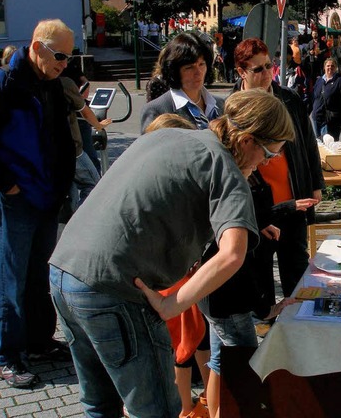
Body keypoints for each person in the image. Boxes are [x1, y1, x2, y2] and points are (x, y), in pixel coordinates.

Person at [49, 89, 295, 417]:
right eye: (268, 154)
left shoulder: (169, 135)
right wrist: (171, 304)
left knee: (100, 404)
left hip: (63, 273)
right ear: (247, 140)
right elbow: (232, 255)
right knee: (156, 410)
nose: (267, 163)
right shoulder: (227, 169)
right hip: (113, 290)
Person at [0, 19, 76, 388]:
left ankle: (39, 342)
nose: (65, 63)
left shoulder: (54, 85)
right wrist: (7, 185)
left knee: (39, 275)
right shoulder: (6, 83)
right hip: (17, 199)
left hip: (46, 197)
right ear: (37, 46)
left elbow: (61, 139)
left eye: (69, 57)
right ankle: (7, 356)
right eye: (60, 55)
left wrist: (62, 185)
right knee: (9, 280)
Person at [230, 38, 324, 304]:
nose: (266, 74)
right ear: (241, 72)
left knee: (296, 268)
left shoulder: (289, 99)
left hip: (295, 200)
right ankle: (269, 324)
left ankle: (300, 323)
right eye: (257, 69)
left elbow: (308, 144)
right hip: (260, 208)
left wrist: (315, 183)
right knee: (260, 275)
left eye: (269, 66)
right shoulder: (234, 106)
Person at [144, 113, 211, 418]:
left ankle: (206, 398)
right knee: (183, 348)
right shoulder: (165, 185)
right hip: (175, 279)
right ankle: (187, 406)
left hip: (183, 274)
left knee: (197, 340)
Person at [140, 32, 224, 133]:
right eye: (189, 67)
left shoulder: (220, 105)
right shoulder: (156, 110)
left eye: (201, 64)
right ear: (174, 71)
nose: (198, 72)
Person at [60, 71, 112, 211]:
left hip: (49, 149)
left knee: (68, 186)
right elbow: (85, 111)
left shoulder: (35, 83)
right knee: (92, 185)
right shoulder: (65, 83)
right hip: (72, 149)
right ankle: (81, 219)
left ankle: (70, 215)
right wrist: (99, 126)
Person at [312, 57, 341, 141]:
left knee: (329, 144)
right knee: (319, 144)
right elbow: (314, 97)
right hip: (317, 117)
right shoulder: (319, 81)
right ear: (324, 67)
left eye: (332, 66)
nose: (330, 68)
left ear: (336, 68)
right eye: (328, 66)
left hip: (331, 120)